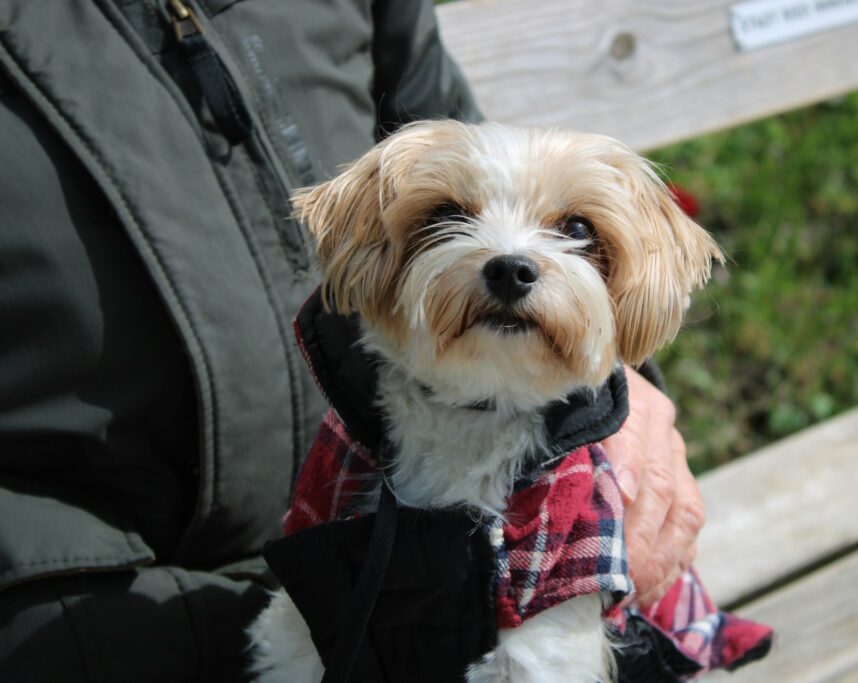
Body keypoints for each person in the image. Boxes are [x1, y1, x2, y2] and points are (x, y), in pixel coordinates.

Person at [0, 1, 702, 679]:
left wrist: (627, 386)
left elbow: (467, 127)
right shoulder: (334, 498)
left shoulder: (566, 529)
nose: (512, 257)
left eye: (574, 231)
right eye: (446, 219)